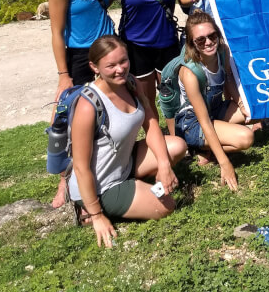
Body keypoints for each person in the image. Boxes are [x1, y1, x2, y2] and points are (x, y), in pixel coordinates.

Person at [68, 35, 187, 248]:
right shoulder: (88, 106)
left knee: (177, 146)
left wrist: (163, 164)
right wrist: (97, 215)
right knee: (166, 207)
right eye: (111, 65)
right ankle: (86, 207)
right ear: (94, 67)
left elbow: (150, 120)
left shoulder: (130, 82)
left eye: (123, 61)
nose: (120, 69)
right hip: (102, 185)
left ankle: (139, 187)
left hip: (124, 164)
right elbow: (80, 167)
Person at [48, 0, 115, 208]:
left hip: (108, 48)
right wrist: (64, 75)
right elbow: (56, 32)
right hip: (79, 55)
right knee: (71, 117)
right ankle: (65, 179)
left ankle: (107, 166)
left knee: (111, 109)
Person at [175, 11, 254, 191]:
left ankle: (210, 147)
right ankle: (202, 149)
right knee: (246, 138)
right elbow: (204, 122)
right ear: (191, 43)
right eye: (200, 40)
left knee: (255, 109)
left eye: (212, 36)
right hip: (193, 122)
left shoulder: (222, 51)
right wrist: (225, 163)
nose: (208, 42)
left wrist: (242, 104)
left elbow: (228, 80)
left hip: (215, 108)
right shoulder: (190, 73)